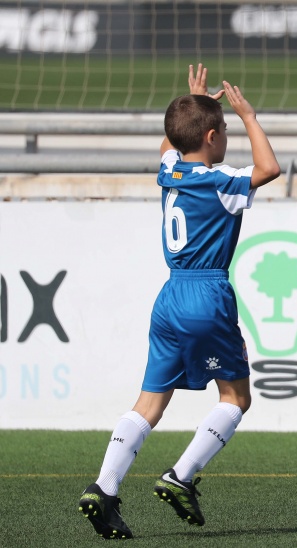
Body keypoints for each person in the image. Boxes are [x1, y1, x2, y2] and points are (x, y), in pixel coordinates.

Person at [78, 64, 281, 539]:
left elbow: (173, 141)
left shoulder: (170, 169)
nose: (229, 136)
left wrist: (190, 104)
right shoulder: (220, 182)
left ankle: (104, 489)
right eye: (225, 131)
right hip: (207, 293)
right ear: (212, 137)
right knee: (236, 396)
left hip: (169, 294)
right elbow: (269, 169)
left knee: (150, 401)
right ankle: (181, 475)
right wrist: (249, 114)